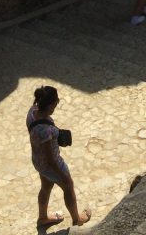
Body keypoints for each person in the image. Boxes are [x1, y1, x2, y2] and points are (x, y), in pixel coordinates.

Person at [26, 85, 91, 227]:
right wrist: (62, 174)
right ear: (50, 104)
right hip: (51, 164)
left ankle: (42, 217)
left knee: (46, 187)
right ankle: (77, 219)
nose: (57, 104)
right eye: (56, 102)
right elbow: (50, 159)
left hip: (38, 161)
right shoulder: (46, 131)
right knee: (68, 186)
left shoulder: (32, 112)